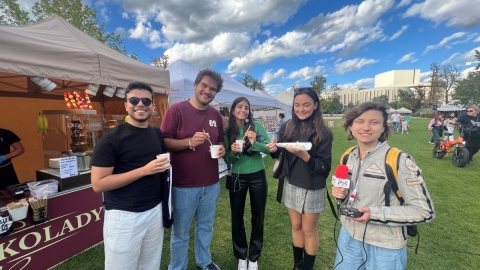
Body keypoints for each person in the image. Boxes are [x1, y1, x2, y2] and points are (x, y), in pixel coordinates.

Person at [331, 102, 435, 270]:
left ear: (382, 127)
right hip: (349, 235)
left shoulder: (399, 160)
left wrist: (374, 214)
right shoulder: (348, 156)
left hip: (385, 244)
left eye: (374, 122)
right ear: (350, 126)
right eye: (359, 121)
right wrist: (340, 195)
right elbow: (345, 191)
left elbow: (424, 211)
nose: (366, 127)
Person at [90, 82, 170, 270]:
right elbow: (98, 184)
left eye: (145, 100)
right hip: (123, 216)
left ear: (152, 105)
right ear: (126, 105)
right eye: (134, 100)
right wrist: (145, 170)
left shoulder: (156, 134)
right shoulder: (112, 138)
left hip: (154, 210)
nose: (140, 104)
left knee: (150, 265)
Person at [161, 69, 225, 270]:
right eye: (204, 86)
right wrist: (188, 142)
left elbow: (220, 140)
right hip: (184, 185)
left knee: (206, 227)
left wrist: (221, 148)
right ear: (196, 85)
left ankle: (204, 261)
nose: (207, 91)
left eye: (212, 89)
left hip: (211, 183)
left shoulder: (216, 114)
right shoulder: (176, 110)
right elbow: (163, 142)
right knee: (180, 232)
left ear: (216, 93)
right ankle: (177, 267)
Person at [266, 87, 332, 270]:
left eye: (306, 105)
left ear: (315, 105)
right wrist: (274, 150)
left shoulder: (323, 132)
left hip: (312, 185)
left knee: (309, 230)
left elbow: (325, 168)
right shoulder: (288, 126)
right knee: (296, 226)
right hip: (292, 182)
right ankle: (297, 265)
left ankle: (307, 267)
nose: (301, 109)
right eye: (297, 105)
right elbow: (280, 152)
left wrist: (307, 157)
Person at [224, 97, 270, 270]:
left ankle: (253, 257)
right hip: (237, 177)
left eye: (246, 107)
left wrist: (253, 143)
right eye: (239, 107)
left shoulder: (256, 126)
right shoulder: (229, 130)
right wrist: (234, 153)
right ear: (233, 109)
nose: (243, 110)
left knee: (258, 216)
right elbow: (227, 157)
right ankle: (241, 255)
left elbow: (268, 147)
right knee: (237, 216)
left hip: (258, 176)